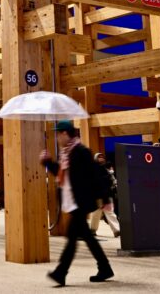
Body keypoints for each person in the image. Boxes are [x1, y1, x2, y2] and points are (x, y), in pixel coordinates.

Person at [40, 120, 114, 286]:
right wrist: (48, 162)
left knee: (72, 238)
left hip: (80, 201)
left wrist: (105, 197)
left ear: (65, 133)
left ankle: (61, 273)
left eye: (58, 134)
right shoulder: (66, 154)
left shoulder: (81, 151)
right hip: (72, 201)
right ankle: (105, 267)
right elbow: (62, 174)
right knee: (87, 237)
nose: (57, 137)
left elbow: (95, 174)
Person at [88, 152, 120, 238]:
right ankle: (93, 230)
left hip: (106, 195)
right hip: (98, 195)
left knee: (110, 213)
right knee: (96, 214)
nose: (101, 158)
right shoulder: (94, 169)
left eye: (102, 157)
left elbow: (111, 181)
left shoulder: (105, 169)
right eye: (99, 157)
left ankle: (117, 230)